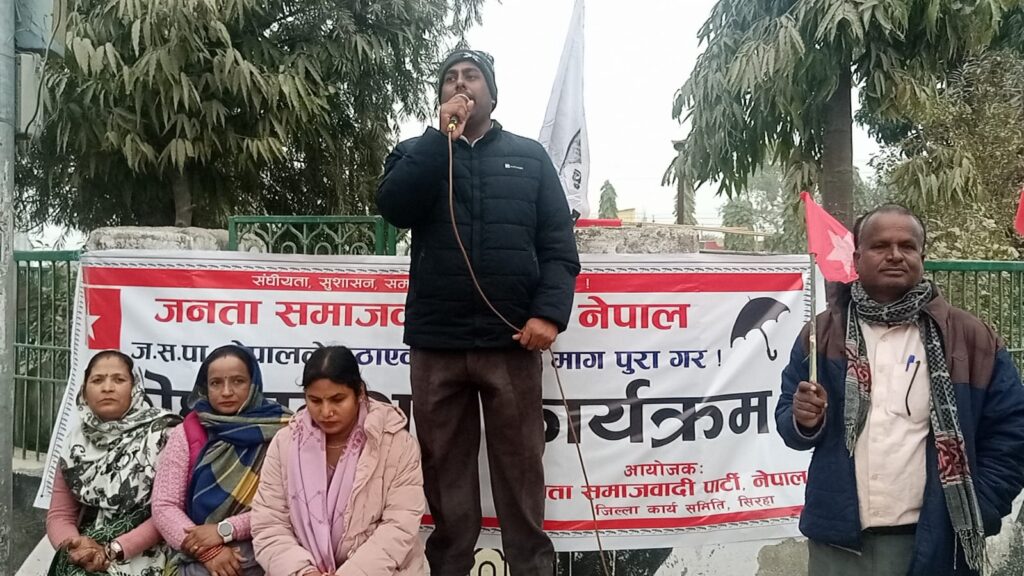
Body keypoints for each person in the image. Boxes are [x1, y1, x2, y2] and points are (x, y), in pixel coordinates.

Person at [376, 48, 581, 575]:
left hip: (510, 342)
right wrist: (437, 139)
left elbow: (559, 249)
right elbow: (394, 207)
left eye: (471, 77)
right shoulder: (417, 152)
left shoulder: (530, 158)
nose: (460, 85)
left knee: (520, 469)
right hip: (437, 343)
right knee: (444, 470)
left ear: (492, 92)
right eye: (450, 79)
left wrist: (548, 315)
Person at [776, 204, 1024, 575]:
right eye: (880, 246)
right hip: (838, 546)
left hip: (937, 543)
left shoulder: (971, 338)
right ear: (857, 258)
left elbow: (1012, 431)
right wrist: (804, 420)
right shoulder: (821, 335)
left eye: (907, 246)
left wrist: (980, 506)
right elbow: (788, 420)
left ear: (922, 256)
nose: (895, 255)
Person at [251, 346, 425, 575]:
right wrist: (303, 572)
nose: (326, 412)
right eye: (315, 400)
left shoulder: (397, 444)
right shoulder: (285, 443)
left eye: (337, 399)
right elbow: (269, 524)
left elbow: (399, 526)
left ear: (359, 392)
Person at [152, 345, 291, 576]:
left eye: (238, 381)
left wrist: (224, 530)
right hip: (196, 548)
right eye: (216, 383)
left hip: (262, 541)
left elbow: (287, 505)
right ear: (205, 387)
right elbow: (164, 505)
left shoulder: (282, 429)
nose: (226, 392)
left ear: (253, 383)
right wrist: (208, 551)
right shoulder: (188, 431)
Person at [46, 350, 181, 576]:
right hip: (85, 552)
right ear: (84, 391)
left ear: (135, 388)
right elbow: (60, 514)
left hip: (149, 552)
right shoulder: (74, 442)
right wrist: (76, 547)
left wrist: (113, 550)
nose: (107, 388)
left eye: (119, 380)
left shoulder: (164, 434)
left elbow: (168, 512)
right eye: (97, 380)